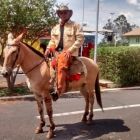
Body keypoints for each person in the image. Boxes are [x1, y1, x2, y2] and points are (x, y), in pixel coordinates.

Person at [45, 4, 84, 100]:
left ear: (69, 14)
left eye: (65, 12)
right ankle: (49, 83)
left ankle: (58, 90)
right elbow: (52, 40)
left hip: (69, 53)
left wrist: (70, 50)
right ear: (59, 14)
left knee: (62, 62)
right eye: (61, 12)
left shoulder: (76, 26)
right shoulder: (55, 28)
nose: (63, 14)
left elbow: (80, 39)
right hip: (57, 53)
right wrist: (48, 48)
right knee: (45, 62)